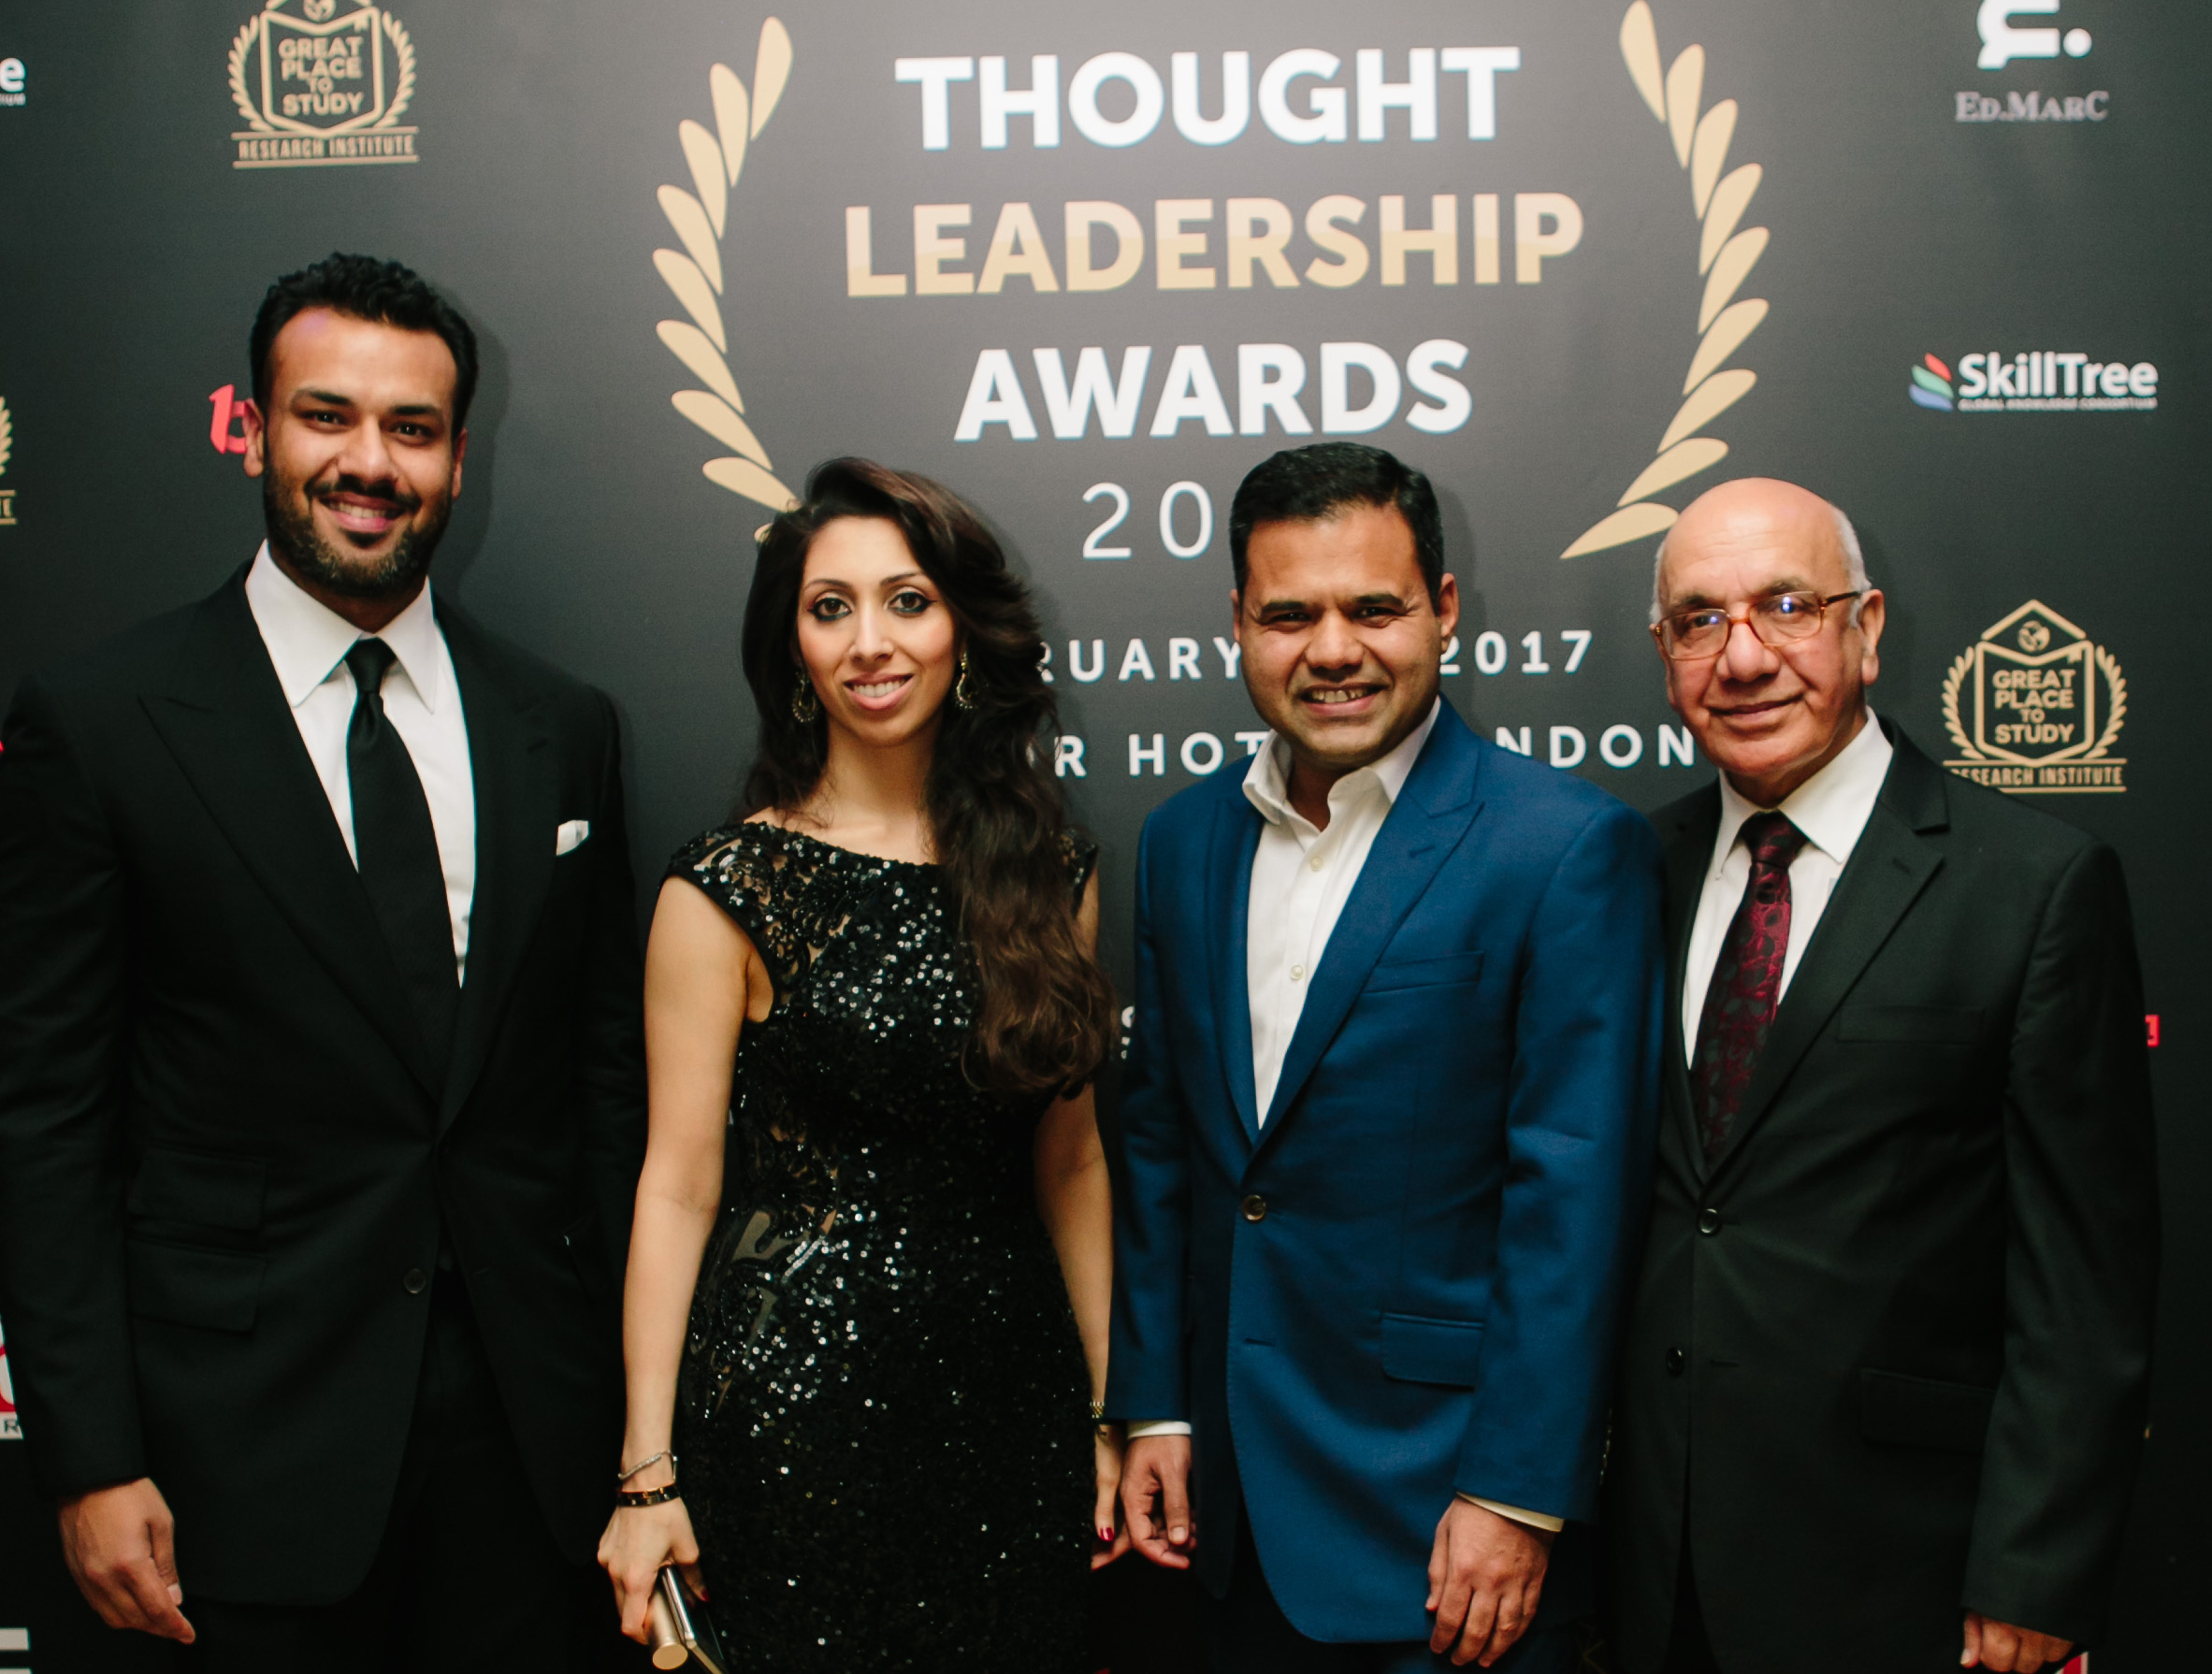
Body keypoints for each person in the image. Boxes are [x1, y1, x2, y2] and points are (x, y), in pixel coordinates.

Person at [0, 254, 647, 1667]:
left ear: (459, 458)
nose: (369, 463)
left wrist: (640, 1440)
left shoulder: (560, 725)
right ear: (252, 429)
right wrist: (89, 1455)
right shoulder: (102, 722)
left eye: (412, 428)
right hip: (227, 1464)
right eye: (326, 415)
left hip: (528, 1464)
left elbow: (602, 1093)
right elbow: (47, 1119)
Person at [1108, 441, 1665, 1673]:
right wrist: (1153, 1400)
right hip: (1223, 1518)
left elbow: (1574, 1201)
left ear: (1444, 608)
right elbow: (1160, 1148)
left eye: (1374, 608)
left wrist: (1517, 1492)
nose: (1333, 650)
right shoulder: (1181, 840)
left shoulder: (1564, 846)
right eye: (1288, 615)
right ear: (1238, 622)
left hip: (1445, 1526)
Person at [1603, 477, 2159, 1674]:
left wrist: (2033, 1569)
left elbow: (2084, 1282)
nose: (1740, 657)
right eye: (1698, 620)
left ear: (1866, 627)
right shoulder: (1623, 873)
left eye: (1785, 606)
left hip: (1904, 1572)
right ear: (1663, 655)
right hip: (1647, 1571)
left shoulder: (2032, 884)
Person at [595, 458, 1121, 1669]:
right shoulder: (726, 888)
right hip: (797, 1417)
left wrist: (1108, 1405)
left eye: (907, 600)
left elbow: (1073, 1164)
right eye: (830, 607)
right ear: (792, 646)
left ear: (962, 630)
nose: (870, 641)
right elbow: (677, 1186)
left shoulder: (1052, 876)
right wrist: (646, 1473)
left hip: (1012, 1407)